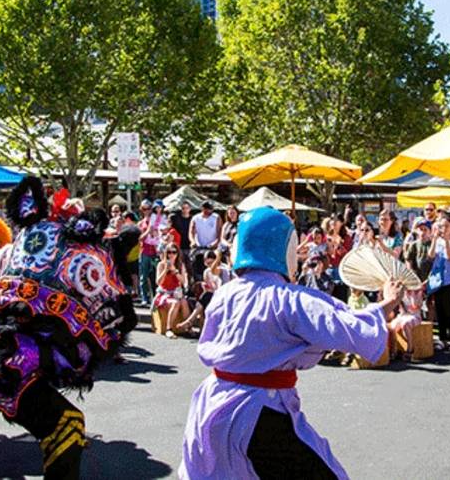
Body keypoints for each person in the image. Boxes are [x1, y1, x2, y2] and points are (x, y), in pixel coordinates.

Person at [180, 206, 402, 479]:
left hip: (210, 406)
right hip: (257, 412)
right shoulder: (288, 298)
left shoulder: (224, 294)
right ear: (284, 247)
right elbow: (346, 325)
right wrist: (387, 304)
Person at [427, 213, 450, 350]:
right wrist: (435, 239)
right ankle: (442, 338)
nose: (444, 229)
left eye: (447, 226)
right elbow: (430, 255)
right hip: (437, 279)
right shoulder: (437, 240)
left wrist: (446, 239)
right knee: (439, 308)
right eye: (441, 226)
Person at [154, 245, 189, 339]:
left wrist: (175, 271)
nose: (171, 255)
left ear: (177, 254)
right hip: (163, 293)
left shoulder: (180, 265)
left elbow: (184, 281)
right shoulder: (161, 264)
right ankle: (168, 329)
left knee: (184, 302)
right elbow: (158, 282)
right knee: (175, 303)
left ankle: (187, 326)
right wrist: (165, 270)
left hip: (176, 292)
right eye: (169, 252)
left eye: (174, 252)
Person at [137, 199, 165, 306]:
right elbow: (139, 238)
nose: (146, 211)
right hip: (144, 251)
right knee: (143, 276)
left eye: (148, 209)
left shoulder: (159, 220)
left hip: (156, 251)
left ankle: (155, 297)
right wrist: (148, 231)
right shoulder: (141, 223)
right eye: (144, 209)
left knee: (155, 275)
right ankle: (144, 297)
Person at [190, 201, 221, 282]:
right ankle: (197, 281)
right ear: (203, 209)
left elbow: (219, 232)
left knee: (213, 265)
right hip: (199, 246)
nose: (209, 211)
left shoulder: (216, 217)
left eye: (211, 209)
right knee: (195, 263)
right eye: (207, 209)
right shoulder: (196, 218)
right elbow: (191, 232)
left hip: (212, 247)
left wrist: (215, 243)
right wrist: (193, 241)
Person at [172, 200, 195, 269]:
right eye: (183, 208)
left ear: (190, 209)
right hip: (179, 246)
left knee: (190, 266)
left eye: (187, 208)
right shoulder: (176, 218)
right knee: (180, 266)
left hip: (190, 246)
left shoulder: (193, 219)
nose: (185, 210)